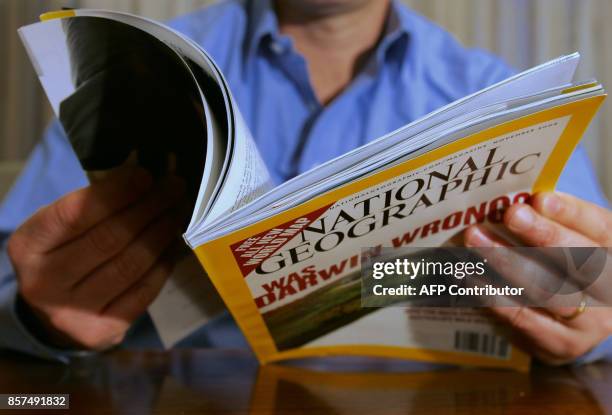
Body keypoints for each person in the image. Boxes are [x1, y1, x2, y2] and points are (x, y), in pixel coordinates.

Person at [1, 0, 611, 365]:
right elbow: (12, 283)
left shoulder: (507, 99)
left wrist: (590, 319)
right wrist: (36, 316)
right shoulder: (142, 70)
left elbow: (591, 291)